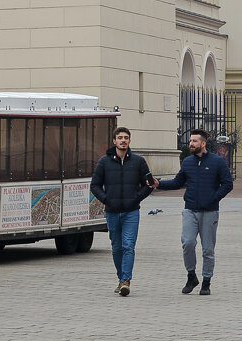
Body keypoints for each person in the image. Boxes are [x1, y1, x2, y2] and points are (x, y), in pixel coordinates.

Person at [149, 128, 233, 295]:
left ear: (203, 143)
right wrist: (159, 184)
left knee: (208, 249)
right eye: (190, 141)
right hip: (190, 210)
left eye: (194, 141)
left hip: (209, 212)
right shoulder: (187, 162)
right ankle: (191, 276)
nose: (191, 144)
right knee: (187, 243)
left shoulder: (217, 162)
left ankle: (206, 281)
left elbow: (227, 184)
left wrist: (213, 198)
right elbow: (177, 182)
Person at [90, 126, 153, 297]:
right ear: (114, 141)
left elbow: (149, 184)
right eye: (120, 138)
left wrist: (136, 198)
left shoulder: (139, 161)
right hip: (112, 211)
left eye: (126, 137)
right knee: (117, 247)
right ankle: (120, 278)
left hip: (131, 212)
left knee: (128, 246)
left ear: (130, 141)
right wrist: (106, 199)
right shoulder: (104, 161)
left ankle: (126, 280)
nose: (123, 140)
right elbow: (94, 185)